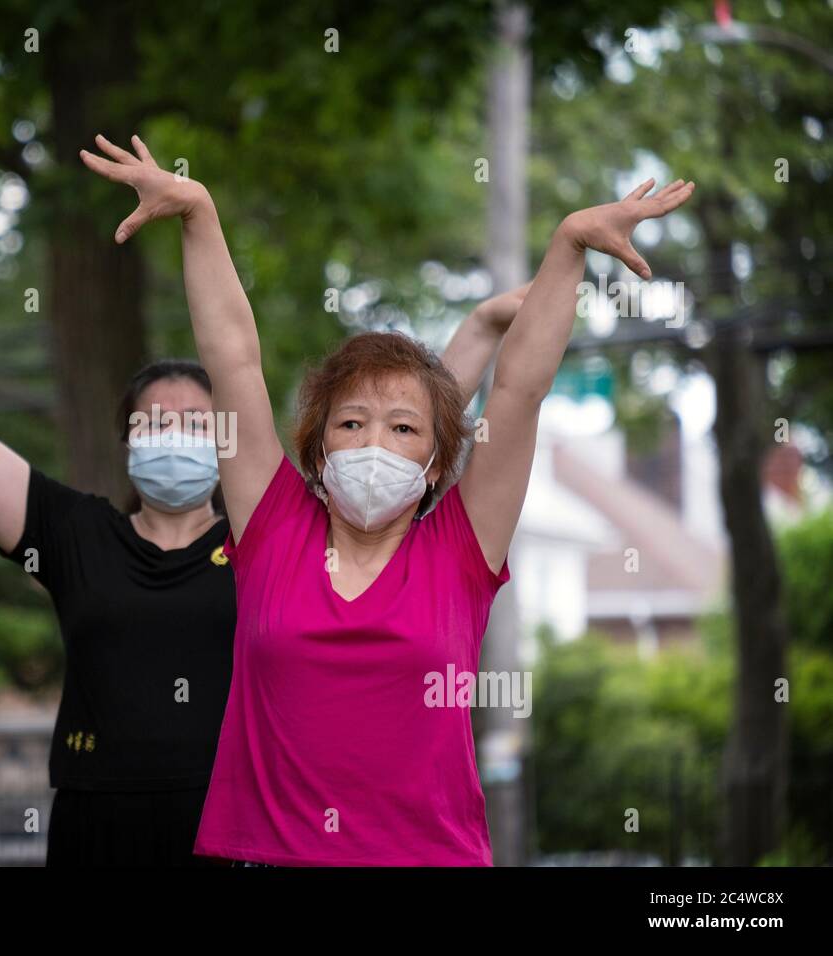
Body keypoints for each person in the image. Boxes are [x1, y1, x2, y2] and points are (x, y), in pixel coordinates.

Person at [0, 204, 529, 865]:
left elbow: (397, 434)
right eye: (155, 421)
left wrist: (482, 331)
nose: (175, 434)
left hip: (238, 822)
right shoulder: (76, 535)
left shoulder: (277, 537)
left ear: (229, 439)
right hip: (98, 819)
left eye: (197, 422)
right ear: (125, 439)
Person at [82, 132, 694, 865]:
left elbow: (521, 389)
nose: (373, 443)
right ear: (316, 449)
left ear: (436, 462)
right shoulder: (273, 527)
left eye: (403, 427)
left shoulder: (462, 552)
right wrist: (198, 213)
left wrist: (568, 244)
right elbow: (234, 358)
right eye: (350, 422)